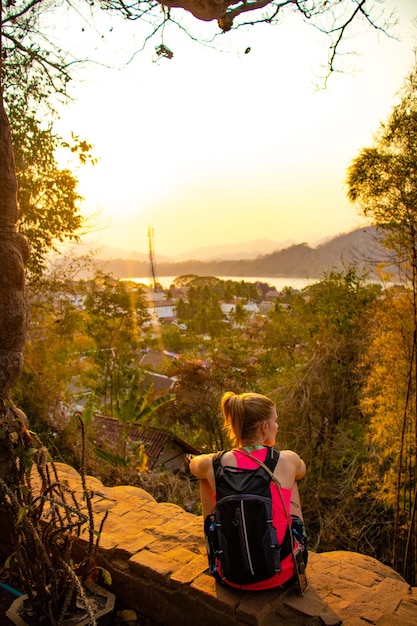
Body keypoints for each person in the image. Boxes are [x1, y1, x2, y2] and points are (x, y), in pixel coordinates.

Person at [190, 391, 307, 590]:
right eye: (275, 421)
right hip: (282, 576)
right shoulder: (287, 459)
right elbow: (302, 472)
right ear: (264, 427)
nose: (277, 426)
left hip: (229, 577)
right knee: (291, 482)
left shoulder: (216, 464)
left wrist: (218, 459)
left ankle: (215, 549)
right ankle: (292, 554)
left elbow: (193, 464)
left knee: (205, 478)